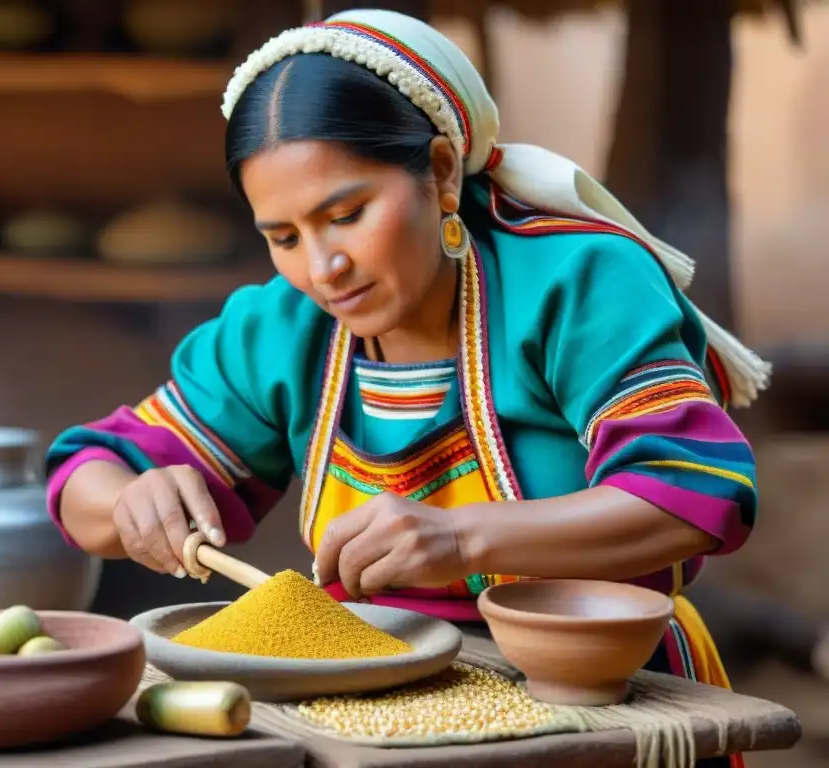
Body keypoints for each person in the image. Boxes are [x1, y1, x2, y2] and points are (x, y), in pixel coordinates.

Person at [47, 10, 769, 766]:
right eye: (284, 237)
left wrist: (458, 537)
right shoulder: (283, 327)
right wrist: (131, 500)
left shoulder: (575, 284)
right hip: (371, 707)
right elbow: (81, 474)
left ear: (443, 171)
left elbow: (692, 491)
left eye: (347, 214)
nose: (323, 268)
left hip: (603, 698)